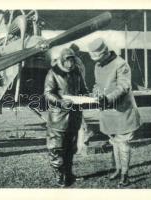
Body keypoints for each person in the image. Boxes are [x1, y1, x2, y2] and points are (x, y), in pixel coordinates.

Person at [87, 38, 142, 187]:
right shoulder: (98, 65)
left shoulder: (121, 64)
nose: (97, 61)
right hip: (108, 111)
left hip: (123, 111)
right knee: (115, 142)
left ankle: (125, 175)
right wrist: (95, 93)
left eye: (98, 57)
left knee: (123, 142)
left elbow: (124, 87)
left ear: (105, 53)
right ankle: (118, 170)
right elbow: (98, 84)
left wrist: (108, 98)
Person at [44, 48, 88, 187]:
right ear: (62, 60)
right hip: (59, 118)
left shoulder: (77, 72)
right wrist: (60, 101)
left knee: (70, 148)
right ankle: (59, 176)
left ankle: (69, 174)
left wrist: (87, 97)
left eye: (72, 60)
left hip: (74, 117)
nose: (70, 63)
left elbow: (83, 90)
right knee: (56, 148)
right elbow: (48, 93)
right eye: (67, 60)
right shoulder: (53, 73)